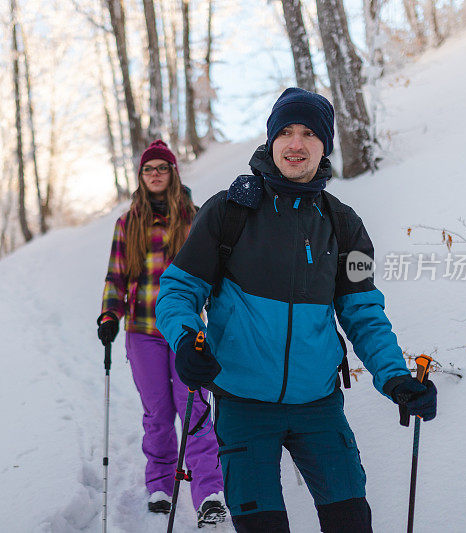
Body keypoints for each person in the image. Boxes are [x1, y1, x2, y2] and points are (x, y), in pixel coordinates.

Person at [155, 89, 437, 533]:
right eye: (285, 131)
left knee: (351, 523)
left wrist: (395, 376)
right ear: (271, 141)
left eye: (309, 133)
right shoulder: (229, 212)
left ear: (325, 146)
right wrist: (187, 339)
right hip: (243, 405)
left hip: (318, 406)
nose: (296, 143)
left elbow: (363, 313)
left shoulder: (345, 225)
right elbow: (177, 290)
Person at [96, 140, 226, 526]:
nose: (155, 174)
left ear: (173, 173)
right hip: (142, 331)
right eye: (148, 168)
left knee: (196, 409)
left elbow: (214, 271)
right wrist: (109, 314)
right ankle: (161, 485)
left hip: (186, 330)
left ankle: (209, 491)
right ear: (141, 176)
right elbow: (115, 277)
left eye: (162, 168)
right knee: (157, 413)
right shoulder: (127, 223)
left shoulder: (195, 218)